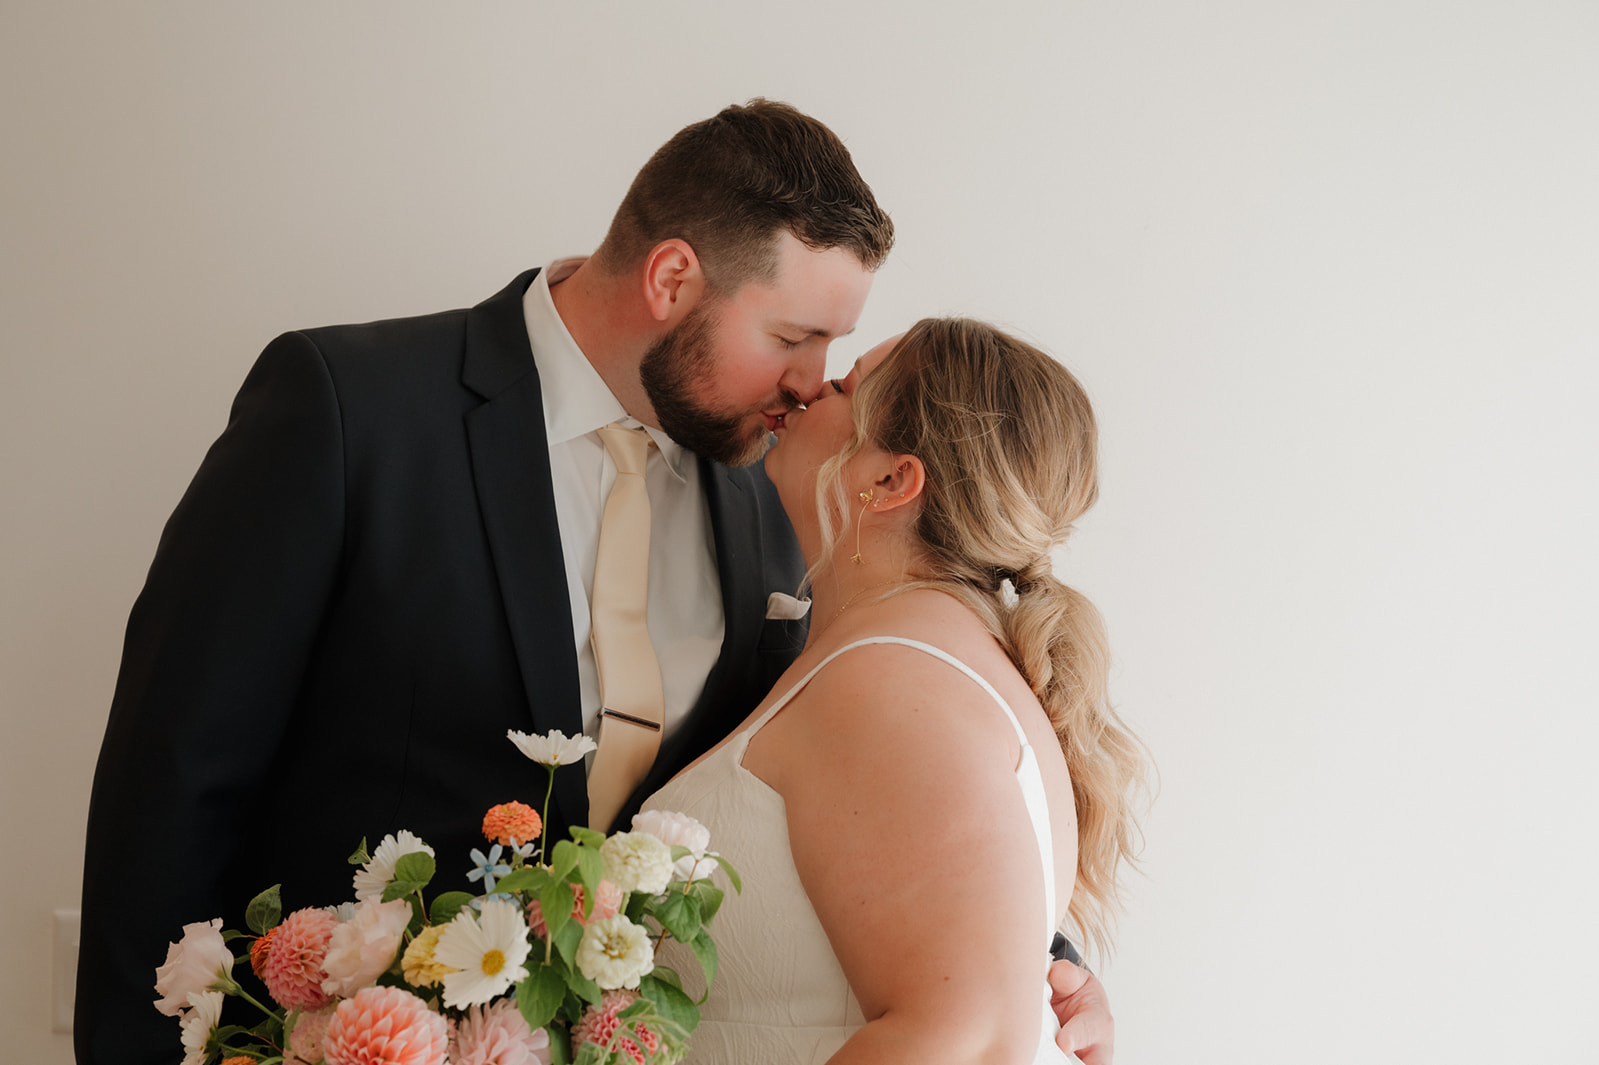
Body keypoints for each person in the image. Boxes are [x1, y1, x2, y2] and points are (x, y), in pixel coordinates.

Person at [76, 100, 1116, 1064]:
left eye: (834, 351)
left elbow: (883, 787)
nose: (808, 384)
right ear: (670, 280)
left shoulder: (783, 498)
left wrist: (1040, 953)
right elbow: (171, 781)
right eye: (794, 338)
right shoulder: (354, 415)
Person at [644, 318, 1148, 1064]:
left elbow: (963, 1040)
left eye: (844, 387)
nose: (811, 390)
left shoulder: (894, 682)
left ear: (889, 480)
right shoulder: (919, 658)